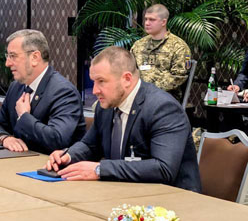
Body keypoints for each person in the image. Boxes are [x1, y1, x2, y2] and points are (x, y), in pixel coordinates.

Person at [46, 46, 201, 192]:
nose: (94, 90)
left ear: (126, 79)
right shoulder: (105, 105)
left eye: (101, 81)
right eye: (93, 82)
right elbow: (90, 145)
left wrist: (100, 169)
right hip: (122, 192)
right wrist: (68, 156)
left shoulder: (163, 108)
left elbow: (163, 169)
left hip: (171, 200)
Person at [0, 29, 85, 155]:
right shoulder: (16, 87)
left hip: (51, 164)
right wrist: (4, 138)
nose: (7, 63)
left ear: (35, 58)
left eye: (13, 56)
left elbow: (57, 140)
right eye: (8, 56)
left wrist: (24, 116)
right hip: (18, 160)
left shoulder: (64, 92)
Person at [130, 4, 191, 101]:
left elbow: (178, 76)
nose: (147, 23)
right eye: (146, 19)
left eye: (152, 20)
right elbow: (130, 70)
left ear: (163, 22)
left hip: (165, 99)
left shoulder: (179, 46)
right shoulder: (138, 45)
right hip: (138, 96)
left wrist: (149, 90)